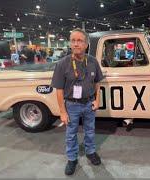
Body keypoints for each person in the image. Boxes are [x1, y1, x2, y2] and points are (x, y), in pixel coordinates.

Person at [51, 28, 104, 176]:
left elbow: (98, 82)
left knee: (90, 130)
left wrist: (97, 100)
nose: (76, 44)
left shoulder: (93, 61)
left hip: (89, 103)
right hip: (71, 105)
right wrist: (62, 111)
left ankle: (91, 152)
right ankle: (72, 158)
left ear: (86, 44)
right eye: (73, 40)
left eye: (80, 41)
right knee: (71, 133)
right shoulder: (62, 64)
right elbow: (59, 90)